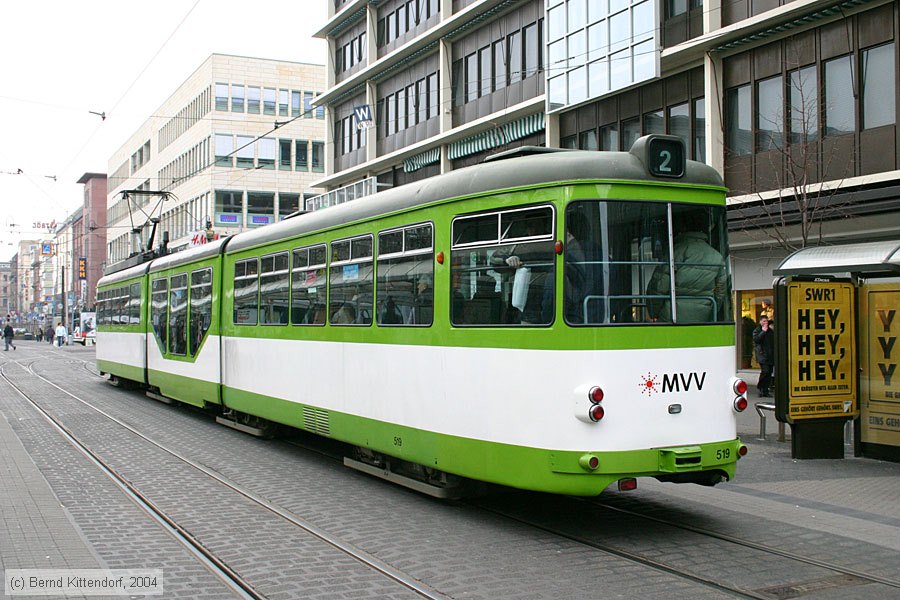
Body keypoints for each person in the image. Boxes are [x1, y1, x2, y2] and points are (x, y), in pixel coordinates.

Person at [648, 210, 726, 323]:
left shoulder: (676, 252)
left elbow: (659, 286)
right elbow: (720, 292)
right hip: (703, 315)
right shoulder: (717, 256)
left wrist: (653, 312)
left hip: (671, 314)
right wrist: (711, 309)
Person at [753, 315, 775, 397]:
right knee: (765, 371)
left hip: (770, 355)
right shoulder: (757, 330)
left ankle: (765, 391)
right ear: (760, 322)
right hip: (762, 355)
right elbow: (756, 340)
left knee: (769, 373)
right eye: (764, 321)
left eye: (766, 321)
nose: (766, 323)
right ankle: (760, 387)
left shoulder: (770, 331)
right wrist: (763, 331)